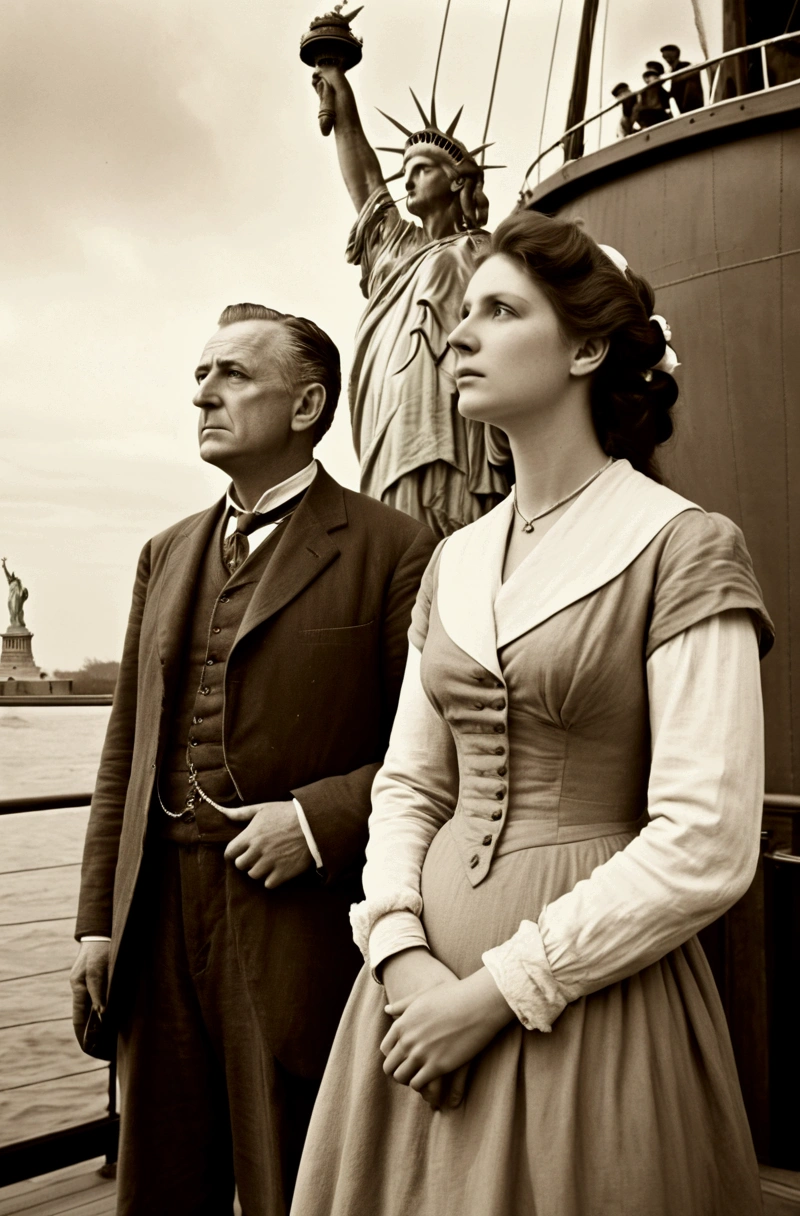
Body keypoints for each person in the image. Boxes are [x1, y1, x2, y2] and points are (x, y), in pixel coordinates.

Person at [291, 212, 773, 1216]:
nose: (457, 334)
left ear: (587, 348)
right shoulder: (454, 559)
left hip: (589, 998)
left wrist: (496, 993)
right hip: (416, 993)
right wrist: (397, 949)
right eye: (461, 311)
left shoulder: (685, 547)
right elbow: (412, 783)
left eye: (499, 310)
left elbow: (708, 839)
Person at [70, 302, 435, 1216]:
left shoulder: (397, 549)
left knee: (293, 1177)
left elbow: (433, 751)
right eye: (200, 375)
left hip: (295, 919)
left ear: (308, 405)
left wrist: (316, 821)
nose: (203, 394)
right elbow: (127, 750)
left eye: (233, 374)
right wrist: (95, 925)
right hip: (155, 918)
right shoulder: (163, 554)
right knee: (160, 1181)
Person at [311, 63, 509, 537]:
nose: (408, 180)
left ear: (456, 180)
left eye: (421, 169)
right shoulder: (399, 247)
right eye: (406, 171)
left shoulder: (488, 251)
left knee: (449, 540)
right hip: (392, 413)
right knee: (391, 541)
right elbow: (366, 185)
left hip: (455, 418)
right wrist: (339, 92)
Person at [661, 43, 705, 113]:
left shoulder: (685, 65)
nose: (666, 58)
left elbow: (694, 73)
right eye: (664, 56)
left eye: (668, 55)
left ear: (675, 54)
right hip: (681, 107)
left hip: (692, 105)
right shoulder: (671, 71)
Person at [634, 62, 672, 127]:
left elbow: (668, 108)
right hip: (648, 117)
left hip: (661, 115)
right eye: (651, 76)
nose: (654, 78)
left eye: (656, 76)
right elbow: (638, 110)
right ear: (646, 79)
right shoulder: (642, 93)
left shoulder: (662, 91)